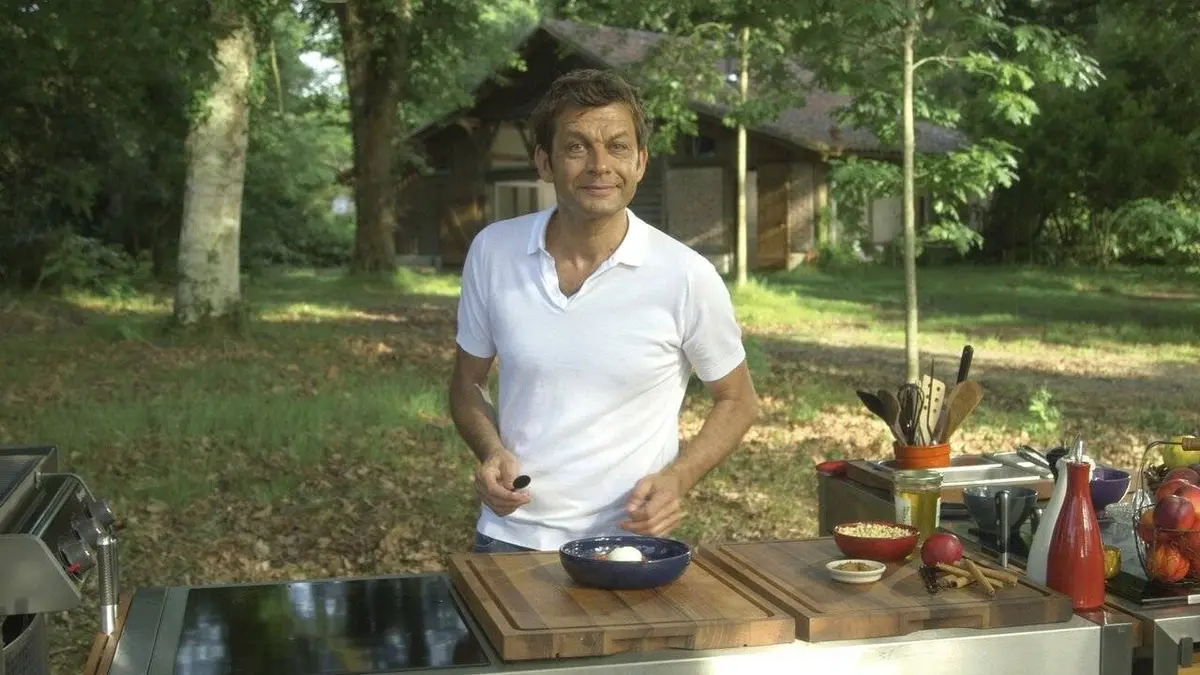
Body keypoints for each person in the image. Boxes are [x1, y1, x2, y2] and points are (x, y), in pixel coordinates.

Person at [447, 68, 760, 553]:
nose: (600, 165)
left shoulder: (686, 275)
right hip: (509, 538)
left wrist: (677, 478)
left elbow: (738, 400)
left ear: (640, 162)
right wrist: (490, 451)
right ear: (544, 162)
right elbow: (467, 382)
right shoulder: (493, 251)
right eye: (577, 147)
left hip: (627, 545)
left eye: (617, 147)